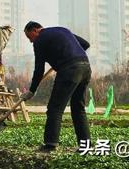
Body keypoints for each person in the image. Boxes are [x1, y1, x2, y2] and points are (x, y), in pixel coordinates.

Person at [20, 21, 91, 153]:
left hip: (69, 70)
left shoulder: (39, 41)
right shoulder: (62, 30)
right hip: (85, 67)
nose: (31, 41)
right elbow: (86, 44)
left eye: (30, 37)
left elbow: (39, 69)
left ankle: (50, 144)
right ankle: (85, 145)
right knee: (78, 108)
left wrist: (32, 90)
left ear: (35, 30)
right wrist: (68, 55)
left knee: (55, 108)